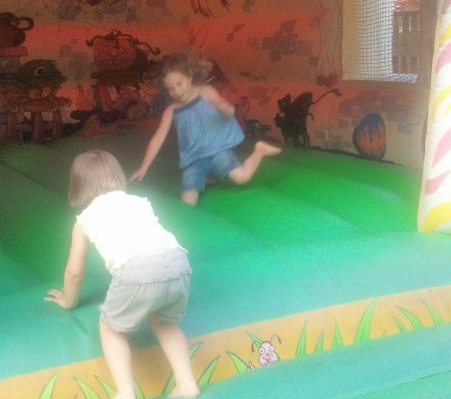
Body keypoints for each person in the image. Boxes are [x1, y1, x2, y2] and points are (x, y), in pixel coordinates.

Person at [46, 150, 199, 399]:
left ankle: (126, 392)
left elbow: (74, 272)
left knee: (110, 327)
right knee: (164, 322)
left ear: (79, 184)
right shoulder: (140, 202)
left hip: (137, 269)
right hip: (178, 262)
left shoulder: (84, 219)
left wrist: (69, 301)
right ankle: (187, 383)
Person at [131, 53, 281, 205]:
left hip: (217, 151)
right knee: (188, 202)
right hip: (194, 159)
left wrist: (224, 109)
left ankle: (259, 150)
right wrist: (144, 167)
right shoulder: (172, 110)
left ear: (189, 76)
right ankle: (207, 176)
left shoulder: (205, 92)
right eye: (170, 88)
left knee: (242, 177)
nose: (176, 91)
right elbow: (158, 138)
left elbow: (225, 109)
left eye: (179, 84)